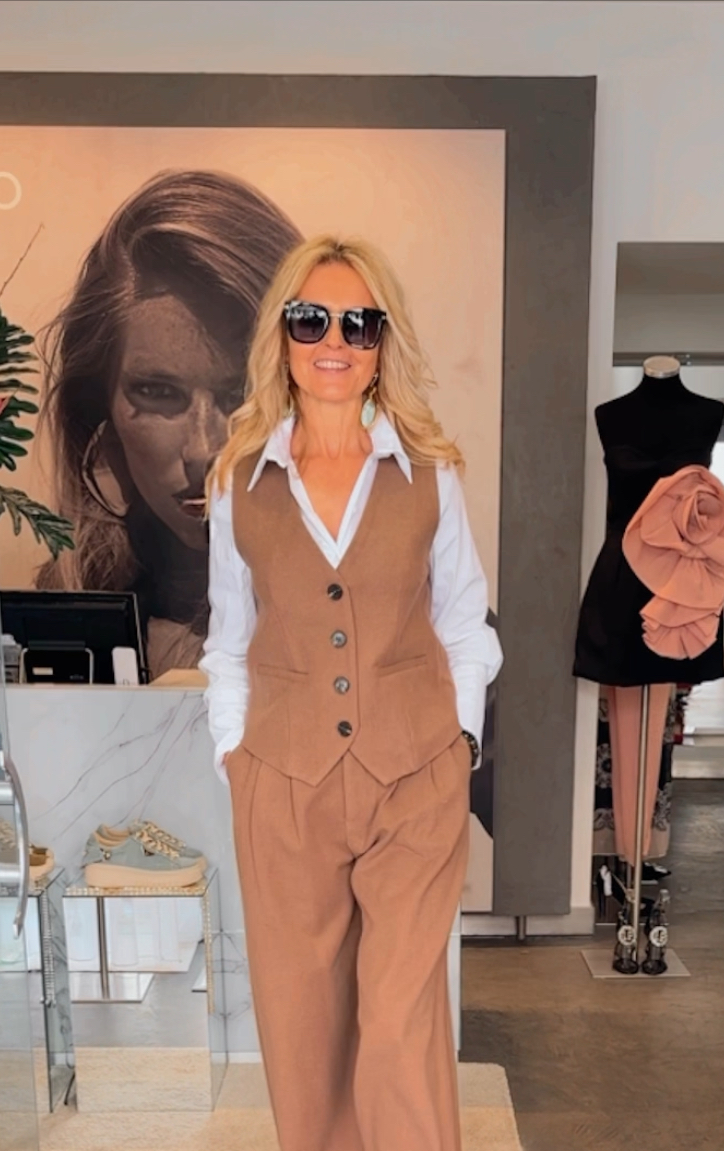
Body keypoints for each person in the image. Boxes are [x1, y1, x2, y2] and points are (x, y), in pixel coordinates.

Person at [201, 235, 503, 1151]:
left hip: (414, 779)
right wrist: (235, 761)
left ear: (381, 344)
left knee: (398, 1026)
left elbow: (465, 623)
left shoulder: (430, 473)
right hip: (282, 787)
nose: (333, 340)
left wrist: (460, 744)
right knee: (304, 1034)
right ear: (283, 336)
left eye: (357, 323)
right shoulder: (239, 482)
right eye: (311, 320)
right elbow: (228, 640)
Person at [36, 169, 302, 678]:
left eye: (243, 393)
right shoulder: (56, 632)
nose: (204, 451)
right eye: (157, 393)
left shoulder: (411, 624)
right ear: (101, 411)